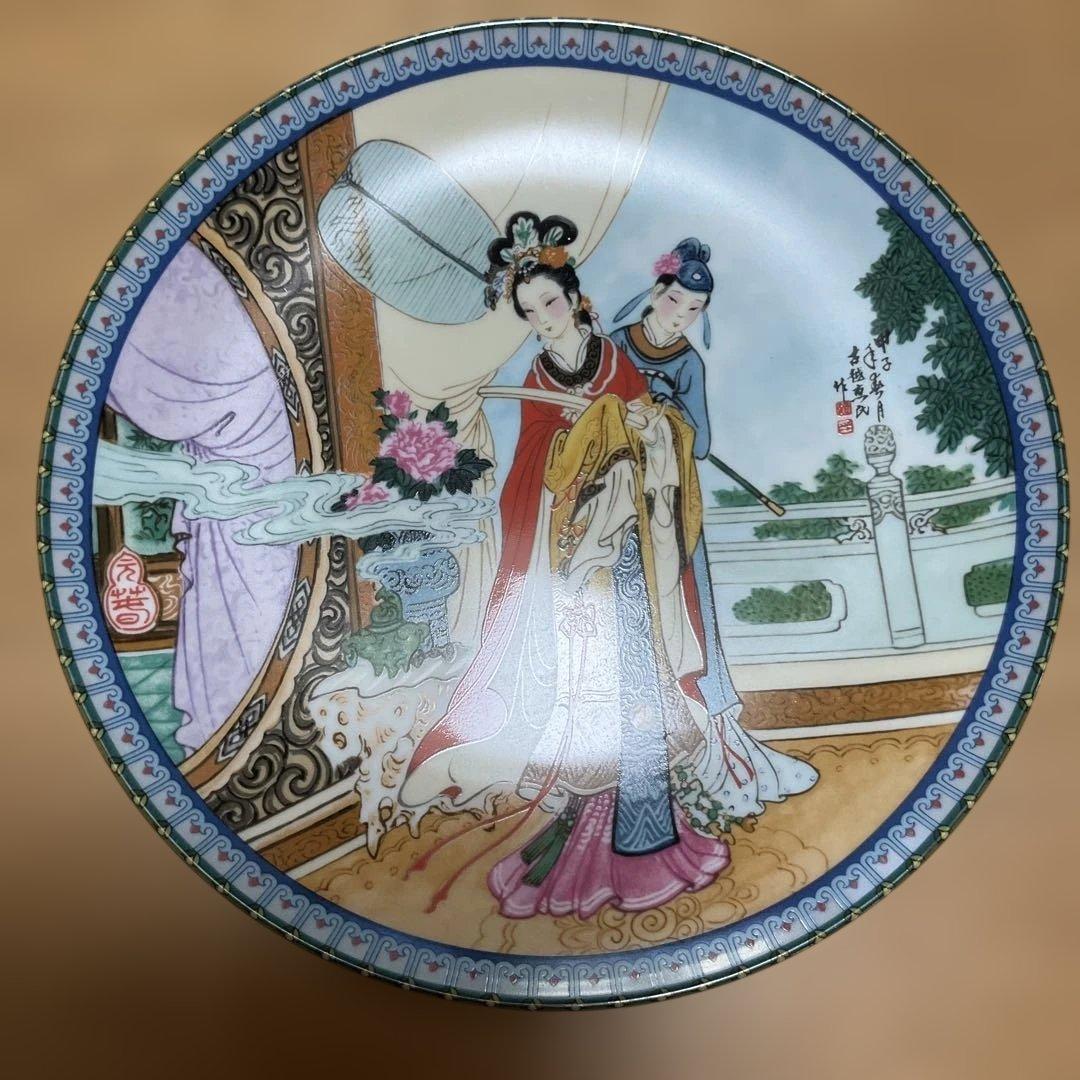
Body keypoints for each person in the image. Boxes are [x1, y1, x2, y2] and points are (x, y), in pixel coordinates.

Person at [400, 213, 815, 920]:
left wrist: (645, 424)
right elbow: (535, 471)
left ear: (576, 298)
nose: (543, 318)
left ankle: (646, 839)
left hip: (630, 556)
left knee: (638, 690)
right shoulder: (538, 374)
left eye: (550, 302)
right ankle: (580, 835)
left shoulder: (614, 360)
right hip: (572, 560)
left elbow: (663, 441)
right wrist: (576, 436)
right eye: (529, 311)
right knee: (581, 692)